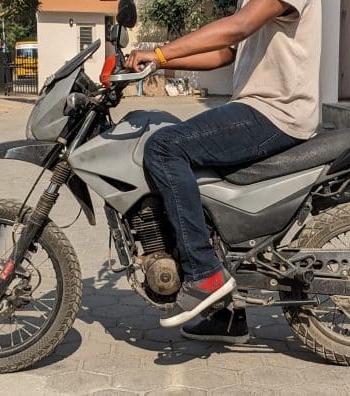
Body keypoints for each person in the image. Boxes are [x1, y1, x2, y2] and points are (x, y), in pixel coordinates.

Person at [125, 0, 321, 339]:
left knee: (166, 147)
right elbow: (226, 51)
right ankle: (228, 314)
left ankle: (204, 273)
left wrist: (159, 53)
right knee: (192, 176)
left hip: (276, 113)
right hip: (259, 109)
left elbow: (238, 26)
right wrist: (158, 63)